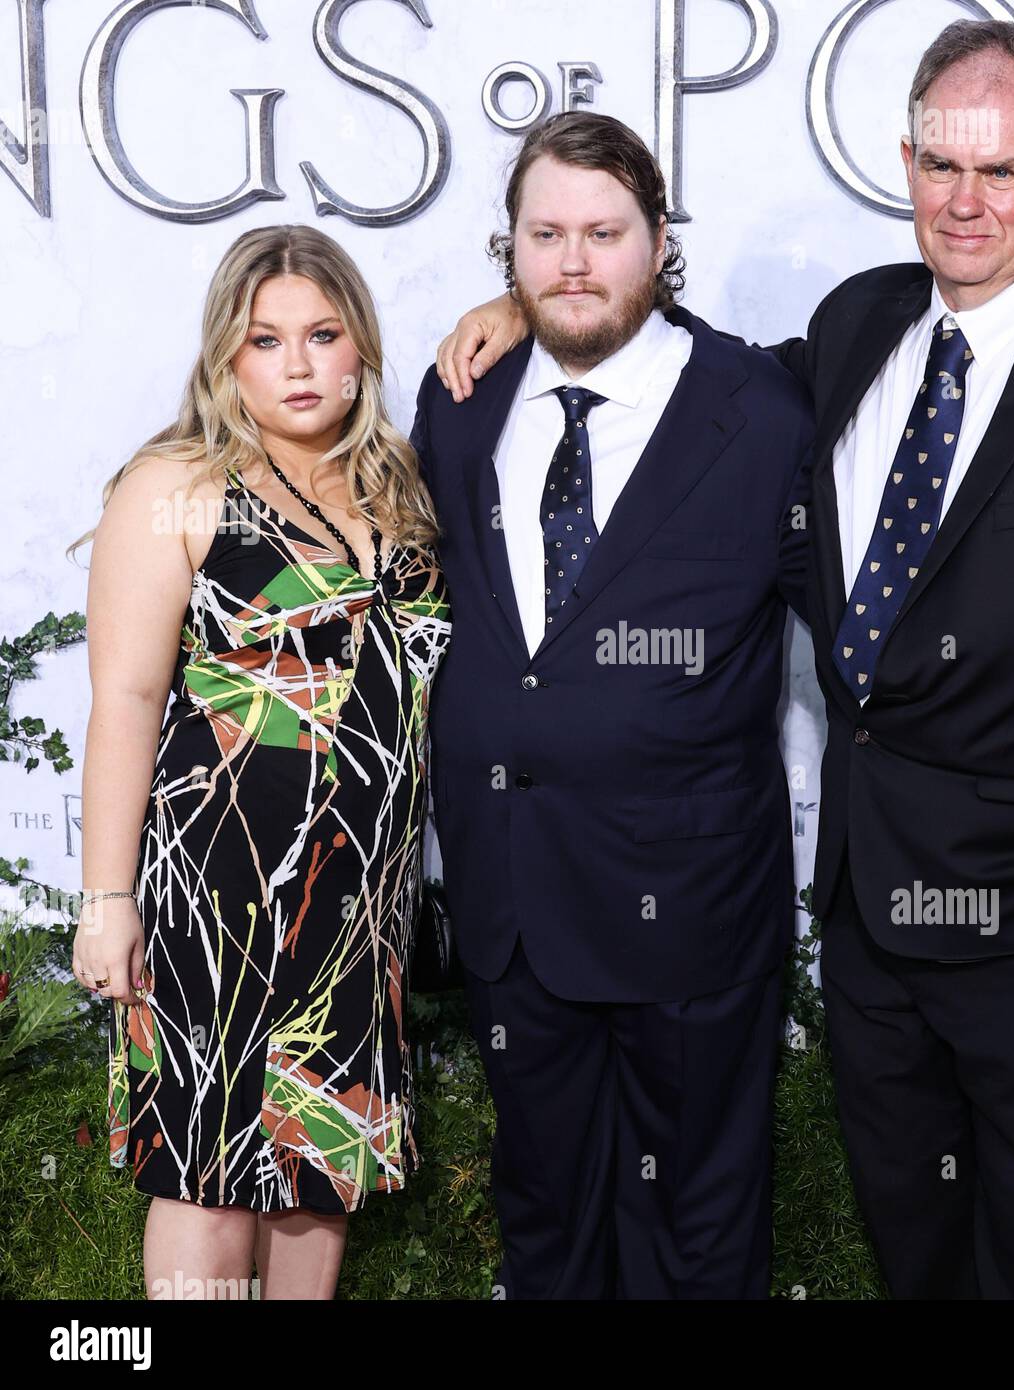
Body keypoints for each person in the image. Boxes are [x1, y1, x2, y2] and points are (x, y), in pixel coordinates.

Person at [433, 19, 1014, 1298]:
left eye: (1001, 171)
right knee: (912, 1259)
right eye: (941, 164)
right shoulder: (861, 323)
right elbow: (679, 397)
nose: (964, 200)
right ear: (906, 162)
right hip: (873, 934)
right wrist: (549, 299)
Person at [408, 111, 813, 1298]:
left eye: (602, 232)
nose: (573, 261)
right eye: (545, 234)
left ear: (657, 241)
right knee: (546, 1225)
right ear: (510, 248)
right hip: (513, 905)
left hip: (688, 910)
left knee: (696, 1237)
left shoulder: (760, 409)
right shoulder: (462, 402)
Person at [68, 224, 452, 1300]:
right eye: (265, 339)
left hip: (355, 901)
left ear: (360, 346)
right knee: (207, 1170)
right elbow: (128, 700)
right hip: (214, 891)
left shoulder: (400, 493)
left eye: (323, 335)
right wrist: (106, 899)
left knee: (316, 1170)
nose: (297, 364)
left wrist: (508, 308)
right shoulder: (179, 483)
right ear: (225, 355)